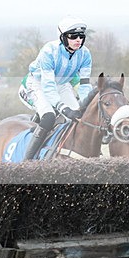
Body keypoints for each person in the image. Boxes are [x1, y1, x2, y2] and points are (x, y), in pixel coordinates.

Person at [18, 16, 92, 160]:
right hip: (38, 84)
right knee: (49, 117)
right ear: (63, 37)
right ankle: (26, 161)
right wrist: (63, 108)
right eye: (73, 36)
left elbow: (84, 85)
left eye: (81, 36)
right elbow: (48, 86)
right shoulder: (49, 51)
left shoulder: (85, 54)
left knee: (79, 117)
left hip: (62, 84)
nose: (78, 40)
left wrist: (86, 105)